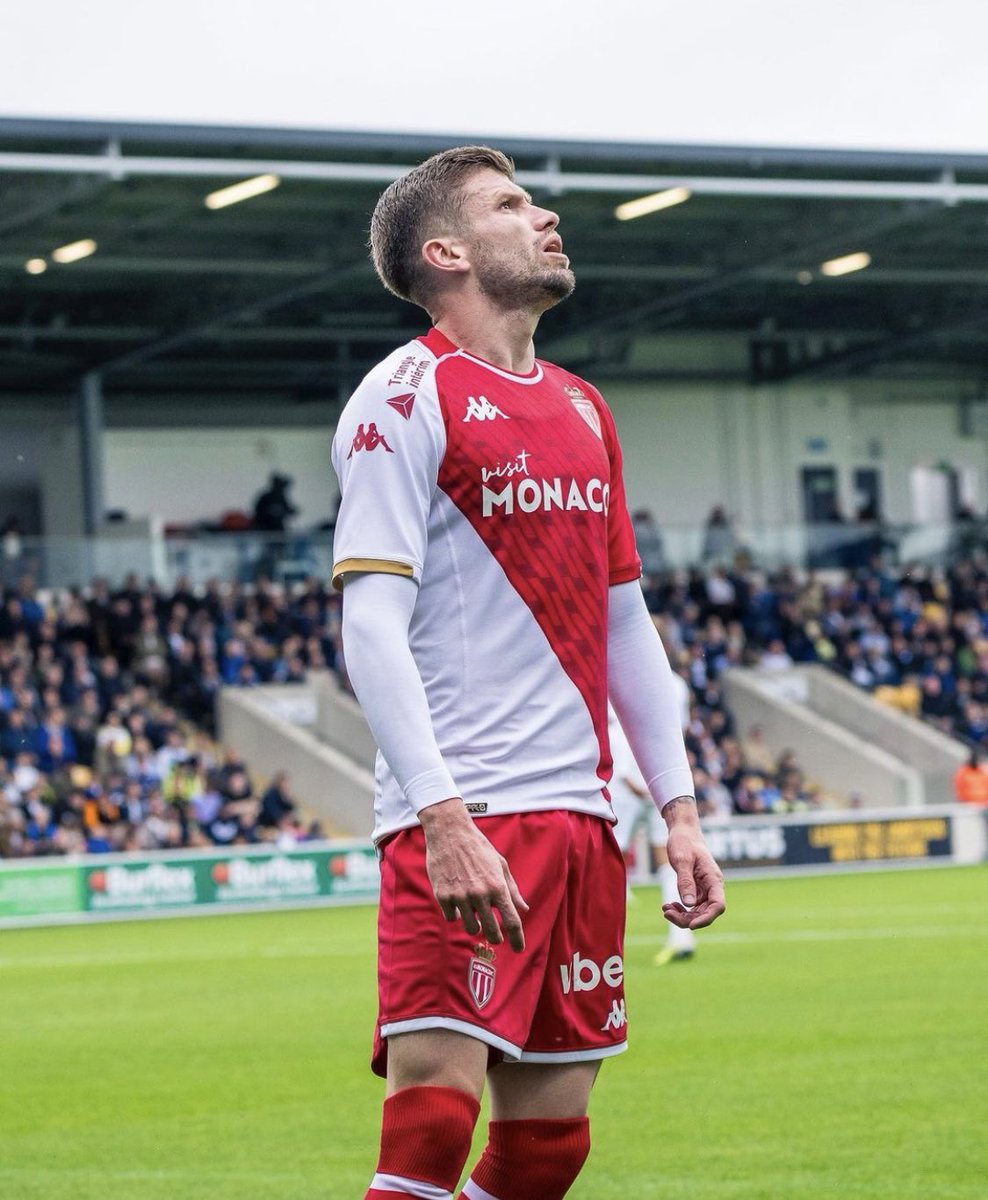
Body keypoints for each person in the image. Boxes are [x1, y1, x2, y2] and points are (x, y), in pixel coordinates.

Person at [331, 146, 725, 1200]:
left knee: (551, 1150)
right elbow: (368, 623)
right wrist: (439, 815)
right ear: (446, 251)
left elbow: (625, 626)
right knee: (428, 1128)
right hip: (472, 811)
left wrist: (678, 808)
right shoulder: (403, 396)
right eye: (511, 205)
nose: (546, 217)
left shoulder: (586, 408)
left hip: (584, 821)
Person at [608, 707, 697, 965]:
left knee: (611, 857)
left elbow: (624, 776)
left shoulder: (616, 731)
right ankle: (682, 937)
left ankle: (601, 939)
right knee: (669, 863)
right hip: (657, 795)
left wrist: (646, 795)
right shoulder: (655, 724)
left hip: (629, 799)